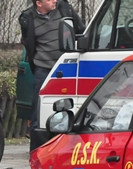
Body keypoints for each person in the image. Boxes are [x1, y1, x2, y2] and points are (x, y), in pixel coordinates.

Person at [19, 0, 85, 151]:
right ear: (39, 3)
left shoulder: (65, 9)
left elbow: (81, 31)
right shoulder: (27, 18)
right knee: (38, 115)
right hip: (43, 68)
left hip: (67, 66)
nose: (55, 0)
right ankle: (36, 154)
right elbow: (29, 43)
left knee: (72, 108)